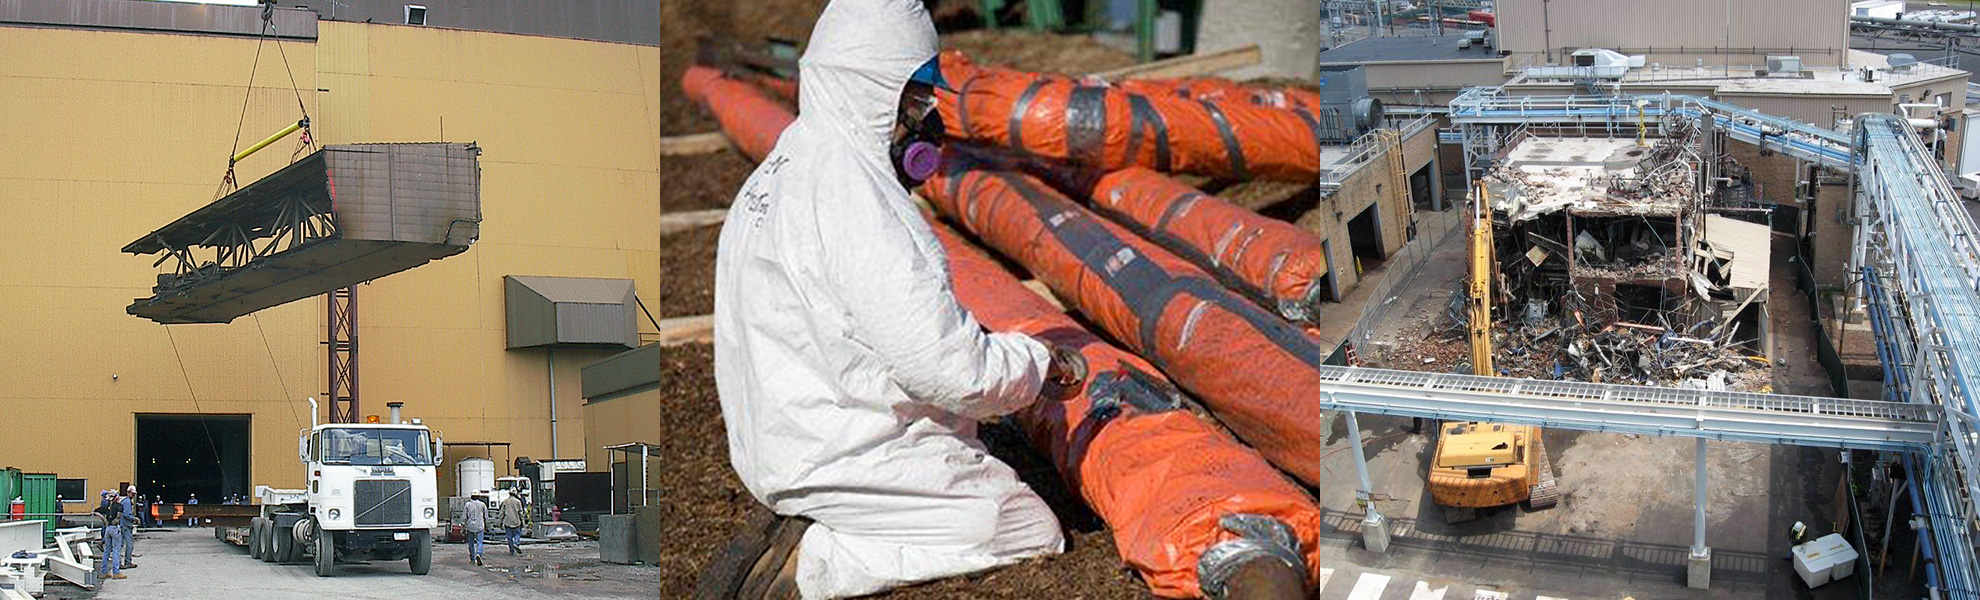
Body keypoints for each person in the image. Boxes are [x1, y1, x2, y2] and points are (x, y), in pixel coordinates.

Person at [708, 1, 1089, 597]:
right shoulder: (860, 204)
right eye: (915, 98)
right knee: (1021, 527)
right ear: (874, 89)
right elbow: (950, 372)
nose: (925, 118)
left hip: (783, 436)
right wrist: (1037, 364)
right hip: (843, 450)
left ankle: (817, 521)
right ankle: (811, 565)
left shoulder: (788, 161)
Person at [93, 491, 126, 580]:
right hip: (115, 528)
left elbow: (96, 511)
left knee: (107, 550)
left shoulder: (107, 506)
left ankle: (104, 572)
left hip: (108, 528)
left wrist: (104, 520)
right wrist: (115, 520)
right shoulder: (119, 506)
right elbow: (119, 516)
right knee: (116, 550)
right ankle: (116, 572)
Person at [461, 495, 488, 566]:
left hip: (470, 526)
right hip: (480, 525)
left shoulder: (467, 505)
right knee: (480, 542)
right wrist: (486, 525)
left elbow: (464, 516)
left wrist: (463, 525)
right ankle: (479, 553)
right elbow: (486, 516)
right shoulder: (482, 504)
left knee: (471, 543)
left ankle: (472, 558)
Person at [119, 487, 137, 569]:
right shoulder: (127, 502)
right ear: (128, 492)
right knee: (129, 545)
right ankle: (127, 562)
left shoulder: (125, 501)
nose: (133, 495)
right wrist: (134, 518)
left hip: (123, 525)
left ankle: (119, 563)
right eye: (132, 494)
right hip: (126, 526)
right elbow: (127, 514)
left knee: (120, 545)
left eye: (134, 494)